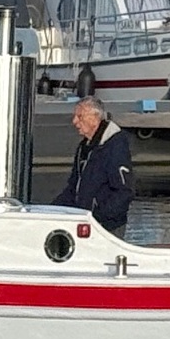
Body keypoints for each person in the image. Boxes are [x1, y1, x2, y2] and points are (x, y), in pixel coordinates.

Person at [51, 96, 134, 237]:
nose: (74, 121)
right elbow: (73, 188)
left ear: (95, 118)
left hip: (106, 227)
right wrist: (51, 210)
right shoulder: (84, 148)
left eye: (80, 116)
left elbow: (124, 191)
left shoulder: (115, 146)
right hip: (85, 223)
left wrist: (98, 217)